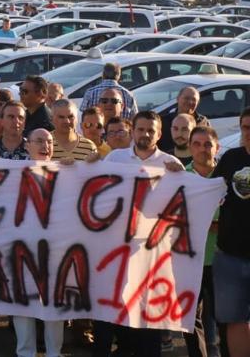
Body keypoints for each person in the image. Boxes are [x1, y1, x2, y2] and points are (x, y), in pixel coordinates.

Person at [95, 111, 183, 355]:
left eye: (150, 130)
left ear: (159, 134)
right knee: (115, 305)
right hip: (115, 249)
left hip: (151, 253)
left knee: (146, 311)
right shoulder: (115, 158)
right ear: (133, 130)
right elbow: (95, 190)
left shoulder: (170, 164)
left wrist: (181, 176)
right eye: (141, 129)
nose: (145, 134)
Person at [12, 128, 66, 357]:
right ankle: (25, 352)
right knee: (23, 305)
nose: (45, 146)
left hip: (55, 252)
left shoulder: (66, 173)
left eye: (50, 142)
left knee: (54, 305)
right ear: (27, 145)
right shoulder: (11, 172)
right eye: (40, 141)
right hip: (21, 250)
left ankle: (54, 352)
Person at [210, 108, 250, 357]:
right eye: (245, 127)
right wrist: (175, 176)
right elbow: (207, 192)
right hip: (230, 255)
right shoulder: (230, 158)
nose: (249, 133)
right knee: (235, 321)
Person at [185, 125, 223, 357]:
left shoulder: (227, 177)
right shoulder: (179, 177)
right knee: (189, 318)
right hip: (188, 260)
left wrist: (199, 222)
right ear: (190, 147)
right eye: (197, 144)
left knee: (226, 316)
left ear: (216, 147)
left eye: (207, 144)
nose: (202, 149)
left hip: (220, 259)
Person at [50, 99, 99, 163]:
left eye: (71, 116)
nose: (67, 121)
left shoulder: (89, 146)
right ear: (51, 119)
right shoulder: (44, 144)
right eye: (61, 117)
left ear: (77, 119)